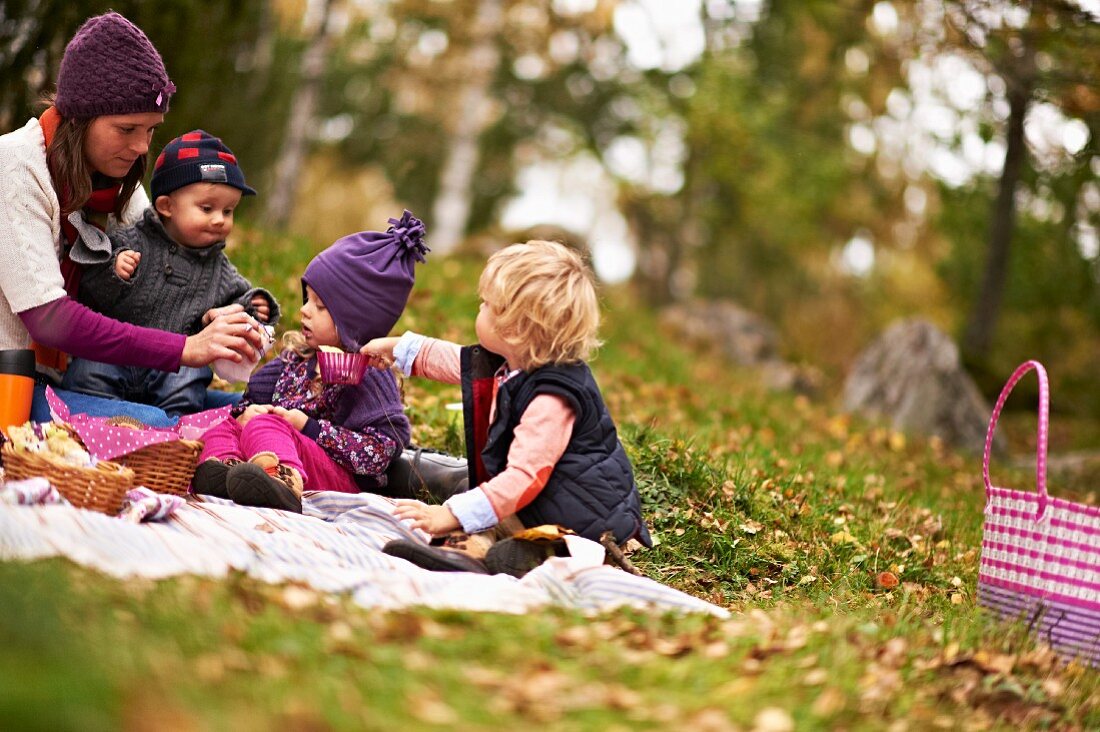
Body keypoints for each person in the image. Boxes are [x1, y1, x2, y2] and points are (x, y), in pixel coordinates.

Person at [0, 11, 263, 427]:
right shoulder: (15, 169)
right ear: (81, 117)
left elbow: (168, 265)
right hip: (12, 383)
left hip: (77, 379)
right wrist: (184, 348)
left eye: (151, 130)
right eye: (127, 129)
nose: (142, 147)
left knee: (258, 409)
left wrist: (221, 317)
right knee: (158, 422)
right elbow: (50, 320)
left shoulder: (116, 185)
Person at [362, 239, 653, 575]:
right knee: (487, 515)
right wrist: (397, 349)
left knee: (554, 540)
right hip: (534, 504)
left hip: (578, 520)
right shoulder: (513, 365)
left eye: (487, 304)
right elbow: (454, 361)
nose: (480, 308)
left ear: (515, 328)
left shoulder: (551, 398)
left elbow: (524, 478)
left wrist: (451, 513)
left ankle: (527, 554)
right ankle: (471, 551)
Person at [191, 212, 427, 512]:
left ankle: (282, 485)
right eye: (307, 299)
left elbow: (380, 451)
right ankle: (226, 472)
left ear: (353, 320)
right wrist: (245, 413)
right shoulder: (295, 362)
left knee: (269, 424)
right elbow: (247, 404)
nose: (304, 311)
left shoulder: (369, 375)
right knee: (223, 423)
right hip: (270, 451)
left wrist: (308, 427)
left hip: (338, 479)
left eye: (319, 306)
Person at [61, 130, 281, 416]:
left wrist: (254, 307)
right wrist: (112, 272)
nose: (219, 220)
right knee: (90, 369)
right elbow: (88, 292)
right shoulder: (131, 241)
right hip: (119, 356)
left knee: (189, 379)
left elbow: (235, 307)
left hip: (174, 370)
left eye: (228, 211)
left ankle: (176, 427)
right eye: (207, 208)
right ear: (166, 206)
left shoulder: (219, 269)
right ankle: (96, 417)